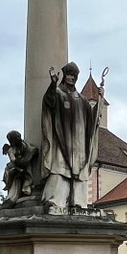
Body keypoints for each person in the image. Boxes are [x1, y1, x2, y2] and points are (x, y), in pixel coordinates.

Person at [39, 61, 102, 209]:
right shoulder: (58, 94)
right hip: (62, 138)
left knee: (80, 170)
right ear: (64, 76)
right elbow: (49, 102)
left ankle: (78, 202)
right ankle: (56, 200)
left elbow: (91, 121)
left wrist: (99, 101)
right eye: (69, 75)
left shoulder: (82, 100)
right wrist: (52, 84)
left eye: (74, 76)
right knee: (59, 169)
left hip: (79, 142)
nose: (71, 78)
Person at [0, 130, 37, 208]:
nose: (19, 139)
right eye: (16, 138)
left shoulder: (24, 145)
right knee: (16, 178)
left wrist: (31, 153)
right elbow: (14, 161)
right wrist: (27, 158)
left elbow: (30, 150)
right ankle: (11, 199)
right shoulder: (11, 150)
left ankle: (26, 186)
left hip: (23, 167)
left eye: (19, 137)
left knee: (26, 170)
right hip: (15, 168)